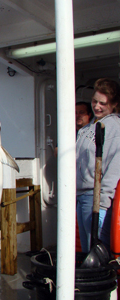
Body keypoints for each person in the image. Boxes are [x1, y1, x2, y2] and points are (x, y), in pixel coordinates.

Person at [76, 78, 120, 253]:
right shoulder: (87, 128)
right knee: (87, 249)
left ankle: (103, 280)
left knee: (97, 250)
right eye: (95, 101)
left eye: (103, 103)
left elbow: (115, 167)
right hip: (81, 195)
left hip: (94, 196)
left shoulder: (114, 127)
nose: (97, 106)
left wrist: (102, 203)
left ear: (114, 104)